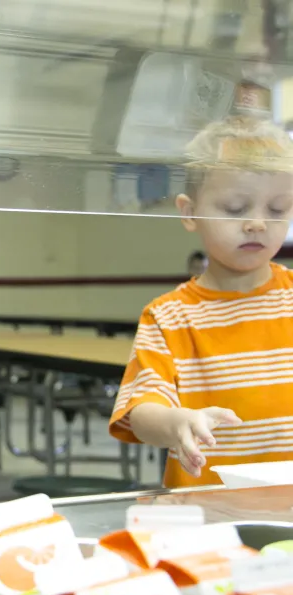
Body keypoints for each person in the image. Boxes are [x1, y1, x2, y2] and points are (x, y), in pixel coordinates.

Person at [109, 116, 293, 488]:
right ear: (189, 212)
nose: (257, 223)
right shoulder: (169, 317)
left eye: (277, 210)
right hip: (208, 516)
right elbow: (142, 412)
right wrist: (176, 424)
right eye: (235, 208)